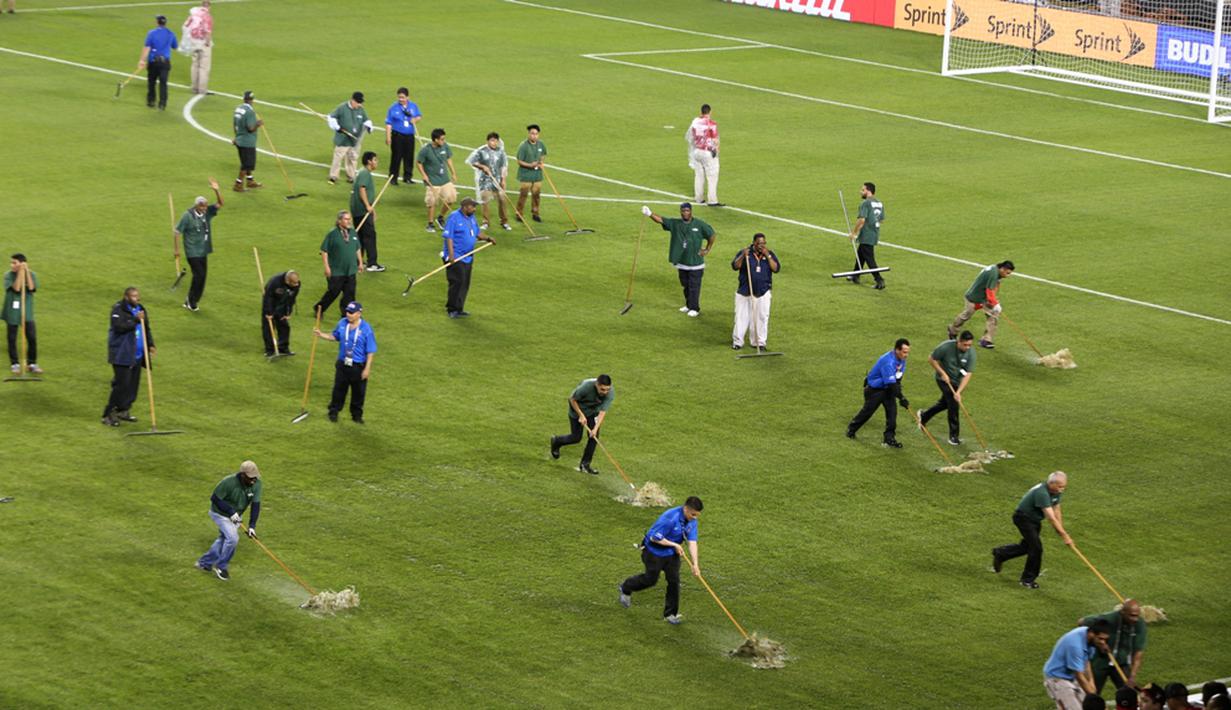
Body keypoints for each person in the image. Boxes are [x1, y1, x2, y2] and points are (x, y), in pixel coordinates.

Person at [618, 496, 704, 625]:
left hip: (672, 553)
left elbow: (692, 542)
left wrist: (695, 564)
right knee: (650, 580)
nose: (695, 518)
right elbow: (654, 537)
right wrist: (674, 545)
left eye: (697, 515)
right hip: (654, 552)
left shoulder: (692, 520)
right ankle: (626, 587)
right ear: (685, 509)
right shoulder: (670, 518)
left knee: (674, 581)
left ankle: (670, 614)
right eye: (693, 514)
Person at [993, 471, 1073, 589]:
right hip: (1023, 518)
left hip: (1034, 521)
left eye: (1064, 487)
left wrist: (1060, 529)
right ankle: (1027, 580)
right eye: (1060, 487)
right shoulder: (1042, 493)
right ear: (1051, 483)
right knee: (1036, 548)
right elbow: (1050, 517)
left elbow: (1056, 508)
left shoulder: (1055, 491)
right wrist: (1065, 535)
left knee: (1027, 547)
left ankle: (1001, 553)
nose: (1062, 490)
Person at [644, 203, 716, 317]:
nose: (685, 213)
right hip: (682, 263)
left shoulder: (699, 224)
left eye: (687, 210)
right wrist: (649, 213)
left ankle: (695, 308)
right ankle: (688, 305)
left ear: (691, 211)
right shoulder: (675, 224)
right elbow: (661, 220)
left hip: (696, 264)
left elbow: (711, 234)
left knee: (694, 287)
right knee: (685, 286)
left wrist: (707, 249)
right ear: (680, 212)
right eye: (683, 211)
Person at [195, 460, 262, 581]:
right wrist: (230, 512)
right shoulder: (228, 482)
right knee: (232, 538)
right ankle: (221, 567)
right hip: (220, 513)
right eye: (250, 478)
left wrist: (252, 526)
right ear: (242, 475)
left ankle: (204, 563)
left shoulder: (257, 484)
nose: (253, 480)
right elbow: (215, 498)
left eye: (255, 477)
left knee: (224, 539)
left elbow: (256, 505)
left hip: (237, 516)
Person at [313, 301, 376, 423]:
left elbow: (370, 351)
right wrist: (321, 334)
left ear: (359, 314)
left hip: (358, 366)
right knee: (338, 390)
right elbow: (335, 336)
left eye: (351, 313)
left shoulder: (366, 329)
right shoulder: (342, 323)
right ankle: (334, 411)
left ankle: (356, 415)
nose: (348, 314)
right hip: (342, 364)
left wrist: (367, 369)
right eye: (347, 312)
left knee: (358, 393)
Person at [102, 287, 154, 427]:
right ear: (126, 297)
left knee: (132, 386)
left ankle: (123, 410)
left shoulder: (141, 308)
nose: (137, 299)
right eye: (134, 296)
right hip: (122, 354)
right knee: (121, 385)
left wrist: (150, 344)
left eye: (138, 296)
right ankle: (108, 414)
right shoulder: (118, 310)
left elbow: (146, 328)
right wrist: (135, 320)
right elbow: (119, 327)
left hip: (137, 355)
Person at [846, 338, 910, 448]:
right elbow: (891, 383)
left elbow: (897, 379)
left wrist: (900, 395)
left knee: (892, 414)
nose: (906, 355)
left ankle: (889, 439)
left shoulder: (902, 360)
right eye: (904, 352)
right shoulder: (888, 362)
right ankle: (851, 430)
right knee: (867, 412)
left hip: (888, 389)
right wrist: (902, 398)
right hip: (875, 390)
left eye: (908, 352)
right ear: (897, 350)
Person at [440, 198, 496, 318]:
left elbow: (477, 233)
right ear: (465, 207)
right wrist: (451, 255)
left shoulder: (472, 218)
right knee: (457, 282)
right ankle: (451, 309)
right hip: (456, 256)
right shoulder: (454, 217)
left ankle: (459, 309)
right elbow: (448, 237)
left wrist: (487, 238)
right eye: (472, 206)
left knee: (465, 283)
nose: (474, 209)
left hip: (468, 256)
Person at [918, 331, 976, 446]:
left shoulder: (971, 353)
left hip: (957, 381)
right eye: (965, 345)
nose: (967, 347)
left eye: (969, 345)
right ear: (958, 342)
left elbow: (968, 374)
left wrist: (959, 392)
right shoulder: (945, 347)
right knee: (953, 405)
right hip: (943, 380)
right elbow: (931, 359)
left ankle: (924, 415)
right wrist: (942, 373)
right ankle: (954, 436)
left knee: (945, 403)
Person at [549, 374, 614, 475]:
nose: (605, 392)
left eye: (607, 390)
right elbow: (572, 399)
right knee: (576, 437)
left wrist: (595, 429)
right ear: (597, 384)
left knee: (594, 437)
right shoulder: (586, 387)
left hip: (593, 412)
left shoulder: (610, 393)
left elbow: (602, 412)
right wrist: (581, 415)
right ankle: (556, 441)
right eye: (602, 389)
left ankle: (585, 465)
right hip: (576, 411)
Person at [174, 179, 223, 312]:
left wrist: (216, 190)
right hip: (192, 251)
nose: (204, 209)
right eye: (202, 206)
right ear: (196, 206)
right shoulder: (187, 216)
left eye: (205, 206)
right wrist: (177, 250)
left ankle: (190, 300)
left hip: (203, 250)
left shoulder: (207, 213)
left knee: (203, 276)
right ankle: (191, 301)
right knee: (199, 275)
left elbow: (220, 203)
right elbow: (177, 232)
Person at [1079, 600, 1147, 693]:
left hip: (1121, 663)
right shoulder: (1109, 618)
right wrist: (1099, 643)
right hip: (1100, 662)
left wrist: (1132, 677)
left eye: (1137, 615)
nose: (1135, 619)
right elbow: (1082, 622)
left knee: (1129, 693)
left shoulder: (1140, 625)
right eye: (1132, 615)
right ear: (1122, 613)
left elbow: (1138, 653)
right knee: (1092, 693)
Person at [1044, 619, 1113, 710]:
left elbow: (1086, 663)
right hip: (1057, 679)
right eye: (1100, 638)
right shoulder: (1075, 646)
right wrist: (1094, 698)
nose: (1103, 642)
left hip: (1071, 676)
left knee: (1087, 705)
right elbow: (1079, 675)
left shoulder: (1089, 637)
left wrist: (1092, 684)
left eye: (1105, 639)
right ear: (1091, 633)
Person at [949, 260, 1015, 349]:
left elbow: (995, 286)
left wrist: (994, 301)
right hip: (973, 297)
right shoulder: (993, 274)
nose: (1008, 275)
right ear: (1003, 269)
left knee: (993, 314)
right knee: (966, 315)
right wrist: (994, 303)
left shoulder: (996, 269)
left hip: (984, 298)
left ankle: (986, 340)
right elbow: (989, 290)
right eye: (1007, 273)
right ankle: (953, 330)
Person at [730, 233, 779, 349]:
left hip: (763, 292)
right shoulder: (746, 253)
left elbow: (776, 269)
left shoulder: (769, 254)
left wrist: (768, 256)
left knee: (762, 318)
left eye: (763, 243)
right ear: (754, 243)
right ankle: (738, 342)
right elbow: (735, 266)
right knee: (741, 318)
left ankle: (759, 342)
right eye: (759, 243)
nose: (762, 246)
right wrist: (743, 255)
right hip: (745, 292)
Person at [313, 211, 361, 318]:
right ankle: (319, 308)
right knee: (333, 292)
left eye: (349, 219)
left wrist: (360, 263)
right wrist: (326, 267)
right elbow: (324, 250)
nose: (349, 221)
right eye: (346, 219)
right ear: (339, 221)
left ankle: (347, 314)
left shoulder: (353, 232)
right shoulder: (332, 234)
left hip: (351, 270)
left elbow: (357, 248)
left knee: (350, 294)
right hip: (337, 270)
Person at [466, 132, 511, 231]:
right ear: (487, 141)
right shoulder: (481, 151)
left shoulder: (501, 152)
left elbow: (504, 166)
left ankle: (504, 222)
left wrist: (503, 180)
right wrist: (482, 166)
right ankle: (485, 222)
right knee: (485, 200)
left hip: (497, 180)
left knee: (503, 200)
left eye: (496, 141)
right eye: (492, 140)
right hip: (485, 181)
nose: (494, 143)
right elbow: (472, 161)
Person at [4, 254, 40, 375]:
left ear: (22, 263)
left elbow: (31, 288)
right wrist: (20, 273)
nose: (12, 265)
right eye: (11, 263)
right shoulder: (8, 275)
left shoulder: (32, 275)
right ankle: (15, 364)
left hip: (27, 311)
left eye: (15, 263)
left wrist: (26, 272)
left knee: (32, 338)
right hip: (12, 312)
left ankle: (32, 363)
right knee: (12, 339)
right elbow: (17, 289)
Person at [417, 128, 457, 233]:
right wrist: (424, 175)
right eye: (442, 139)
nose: (443, 141)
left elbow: (448, 159)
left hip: (444, 179)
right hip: (432, 181)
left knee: (452, 198)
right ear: (435, 140)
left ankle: (440, 217)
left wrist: (453, 172)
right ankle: (430, 224)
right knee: (432, 202)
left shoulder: (445, 146)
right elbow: (419, 162)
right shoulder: (426, 150)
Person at [327, 92, 373, 184]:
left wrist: (369, 126)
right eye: (358, 102)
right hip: (342, 139)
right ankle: (333, 176)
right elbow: (331, 117)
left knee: (352, 158)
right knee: (338, 158)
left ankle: (351, 176)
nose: (360, 104)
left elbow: (367, 120)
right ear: (352, 100)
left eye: (361, 102)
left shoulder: (361, 109)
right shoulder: (342, 108)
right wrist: (337, 127)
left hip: (355, 140)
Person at [847, 182, 886, 289]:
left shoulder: (865, 203)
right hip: (874, 232)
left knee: (869, 258)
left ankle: (879, 280)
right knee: (861, 254)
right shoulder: (879, 203)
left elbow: (862, 220)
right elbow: (881, 219)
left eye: (863, 190)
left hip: (867, 234)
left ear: (868, 191)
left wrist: (854, 233)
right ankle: (855, 275)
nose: (861, 192)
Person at [351, 151, 384, 272]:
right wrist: (367, 206)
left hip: (358, 210)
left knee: (360, 237)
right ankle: (372, 263)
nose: (377, 162)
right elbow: (362, 189)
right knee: (370, 236)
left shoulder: (362, 172)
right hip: (362, 210)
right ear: (369, 161)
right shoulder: (365, 173)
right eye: (375, 160)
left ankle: (358, 261)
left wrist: (371, 209)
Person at [138, 14, 178, 110]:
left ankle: (151, 101)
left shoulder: (152, 33)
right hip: (165, 63)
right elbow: (175, 46)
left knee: (152, 82)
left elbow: (147, 47)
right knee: (163, 83)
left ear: (157, 22)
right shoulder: (171, 33)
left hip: (153, 62)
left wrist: (142, 60)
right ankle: (162, 104)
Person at [384, 87, 420, 185]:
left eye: (403, 97)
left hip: (409, 136)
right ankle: (393, 177)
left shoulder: (413, 106)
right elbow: (388, 123)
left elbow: (418, 116)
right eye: (399, 97)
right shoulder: (393, 108)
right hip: (397, 136)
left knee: (409, 156)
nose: (401, 99)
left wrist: (415, 120)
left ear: (408, 97)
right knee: (396, 156)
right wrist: (388, 137)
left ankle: (407, 177)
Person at [688, 104, 722, 206]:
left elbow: (691, 137)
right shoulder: (711, 123)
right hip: (707, 152)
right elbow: (715, 139)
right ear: (710, 112)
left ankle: (699, 198)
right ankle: (712, 200)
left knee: (698, 175)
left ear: (701, 111)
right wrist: (716, 150)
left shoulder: (695, 122)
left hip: (697, 151)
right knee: (712, 176)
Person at [261, 270, 300, 357]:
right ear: (287, 281)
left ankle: (283, 348)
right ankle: (270, 350)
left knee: (284, 326)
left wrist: (288, 312)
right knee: (268, 327)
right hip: (271, 303)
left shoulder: (296, 283)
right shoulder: (274, 282)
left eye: (297, 283)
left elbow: (292, 299)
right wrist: (269, 312)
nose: (296, 285)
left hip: (283, 306)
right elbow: (268, 298)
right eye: (294, 284)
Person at [231, 90, 262, 191]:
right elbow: (250, 128)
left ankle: (250, 181)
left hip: (240, 140)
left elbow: (235, 125)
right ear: (252, 100)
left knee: (246, 162)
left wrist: (236, 137)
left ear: (244, 98)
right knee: (246, 164)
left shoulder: (238, 109)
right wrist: (258, 124)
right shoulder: (250, 112)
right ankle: (238, 184)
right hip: (247, 142)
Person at [515, 124, 547, 223]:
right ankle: (519, 213)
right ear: (529, 134)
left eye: (536, 134)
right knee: (523, 195)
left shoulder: (541, 144)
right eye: (532, 134)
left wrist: (541, 162)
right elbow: (519, 161)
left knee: (536, 195)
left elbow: (543, 154)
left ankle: (535, 213)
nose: (534, 136)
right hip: (526, 175)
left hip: (537, 175)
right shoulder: (523, 146)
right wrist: (530, 165)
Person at [180, 1, 212, 94]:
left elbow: (185, 26)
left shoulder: (193, 15)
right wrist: (208, 43)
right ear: (209, 7)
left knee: (195, 64)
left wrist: (188, 40)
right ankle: (202, 90)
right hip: (202, 43)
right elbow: (208, 32)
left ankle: (194, 88)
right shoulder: (207, 17)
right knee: (203, 67)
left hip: (193, 42)